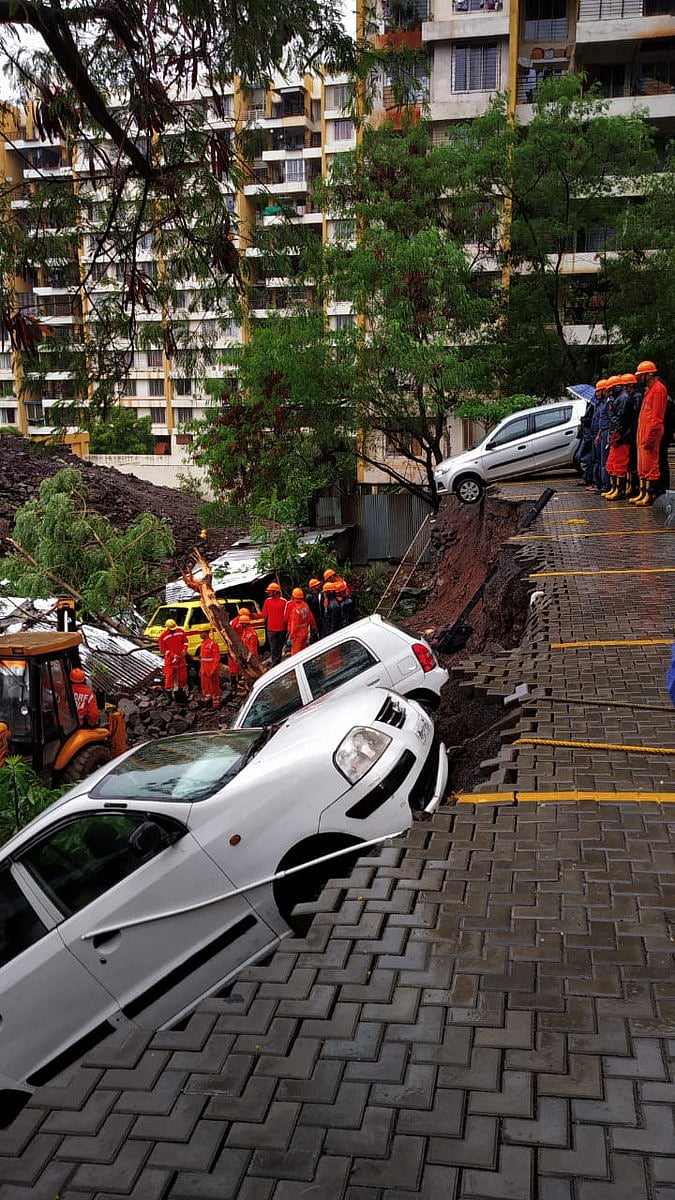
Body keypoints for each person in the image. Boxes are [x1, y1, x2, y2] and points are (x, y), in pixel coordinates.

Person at [631, 360, 669, 506]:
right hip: (644, 432)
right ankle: (643, 493)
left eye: (641, 375)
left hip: (650, 433)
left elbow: (657, 418)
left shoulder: (658, 389)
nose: (639, 378)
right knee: (643, 466)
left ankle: (650, 495)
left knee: (651, 466)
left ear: (649, 374)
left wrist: (651, 438)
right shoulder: (649, 390)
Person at [603, 373, 637, 501]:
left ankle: (619, 490)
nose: (609, 393)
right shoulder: (619, 398)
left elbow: (621, 419)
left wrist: (616, 434)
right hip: (618, 436)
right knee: (612, 464)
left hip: (622, 438)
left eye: (610, 390)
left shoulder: (623, 399)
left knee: (619, 465)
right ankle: (615, 488)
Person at [228, 610, 259, 694]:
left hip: (250, 658)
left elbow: (252, 649)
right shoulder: (245, 631)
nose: (241, 625)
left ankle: (250, 691)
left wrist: (248, 659)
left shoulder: (251, 634)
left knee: (250, 675)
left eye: (242, 624)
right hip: (244, 655)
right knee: (242, 673)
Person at [158, 618, 188, 696]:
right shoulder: (162, 637)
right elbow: (163, 650)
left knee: (182, 675)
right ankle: (169, 695)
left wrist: (184, 650)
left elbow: (185, 642)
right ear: (167, 628)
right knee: (169, 676)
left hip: (181, 658)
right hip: (170, 660)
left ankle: (180, 692)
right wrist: (173, 655)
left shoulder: (180, 632)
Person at [261, 582, 288, 666]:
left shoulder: (284, 602)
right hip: (271, 630)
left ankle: (278, 664)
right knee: (273, 649)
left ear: (275, 592)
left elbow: (287, 616)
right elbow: (264, 615)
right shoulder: (267, 601)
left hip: (282, 630)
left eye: (270, 591)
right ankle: (274, 664)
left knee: (279, 648)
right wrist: (252, 616)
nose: (268, 593)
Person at [286, 587, 317, 655]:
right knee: (303, 652)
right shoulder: (305, 605)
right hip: (305, 632)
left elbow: (294, 625)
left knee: (295, 654)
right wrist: (314, 626)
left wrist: (290, 637)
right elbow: (311, 617)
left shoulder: (296, 610)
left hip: (298, 635)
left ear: (293, 597)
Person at [197, 629, 221, 708]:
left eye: (201, 633)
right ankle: (208, 700)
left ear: (206, 633)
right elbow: (202, 658)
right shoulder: (203, 644)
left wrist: (214, 669)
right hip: (204, 667)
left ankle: (216, 702)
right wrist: (201, 669)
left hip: (210, 667)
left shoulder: (212, 644)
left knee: (214, 684)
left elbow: (217, 658)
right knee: (205, 684)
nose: (200, 635)